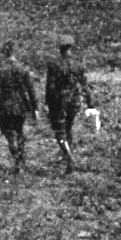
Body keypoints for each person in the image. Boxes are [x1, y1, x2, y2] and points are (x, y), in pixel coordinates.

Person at [45, 35, 98, 173]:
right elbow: (85, 86)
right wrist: (90, 103)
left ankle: (69, 157)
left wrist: (47, 103)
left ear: (60, 48)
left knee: (59, 132)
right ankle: (68, 154)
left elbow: (50, 86)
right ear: (71, 47)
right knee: (68, 128)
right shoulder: (78, 65)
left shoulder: (54, 65)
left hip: (59, 101)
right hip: (74, 101)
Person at [0, 40, 39, 173]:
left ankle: (17, 157)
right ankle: (20, 162)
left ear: (4, 53)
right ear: (14, 52)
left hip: (5, 105)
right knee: (20, 131)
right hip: (20, 104)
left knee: (9, 133)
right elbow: (31, 89)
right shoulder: (23, 68)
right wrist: (35, 107)